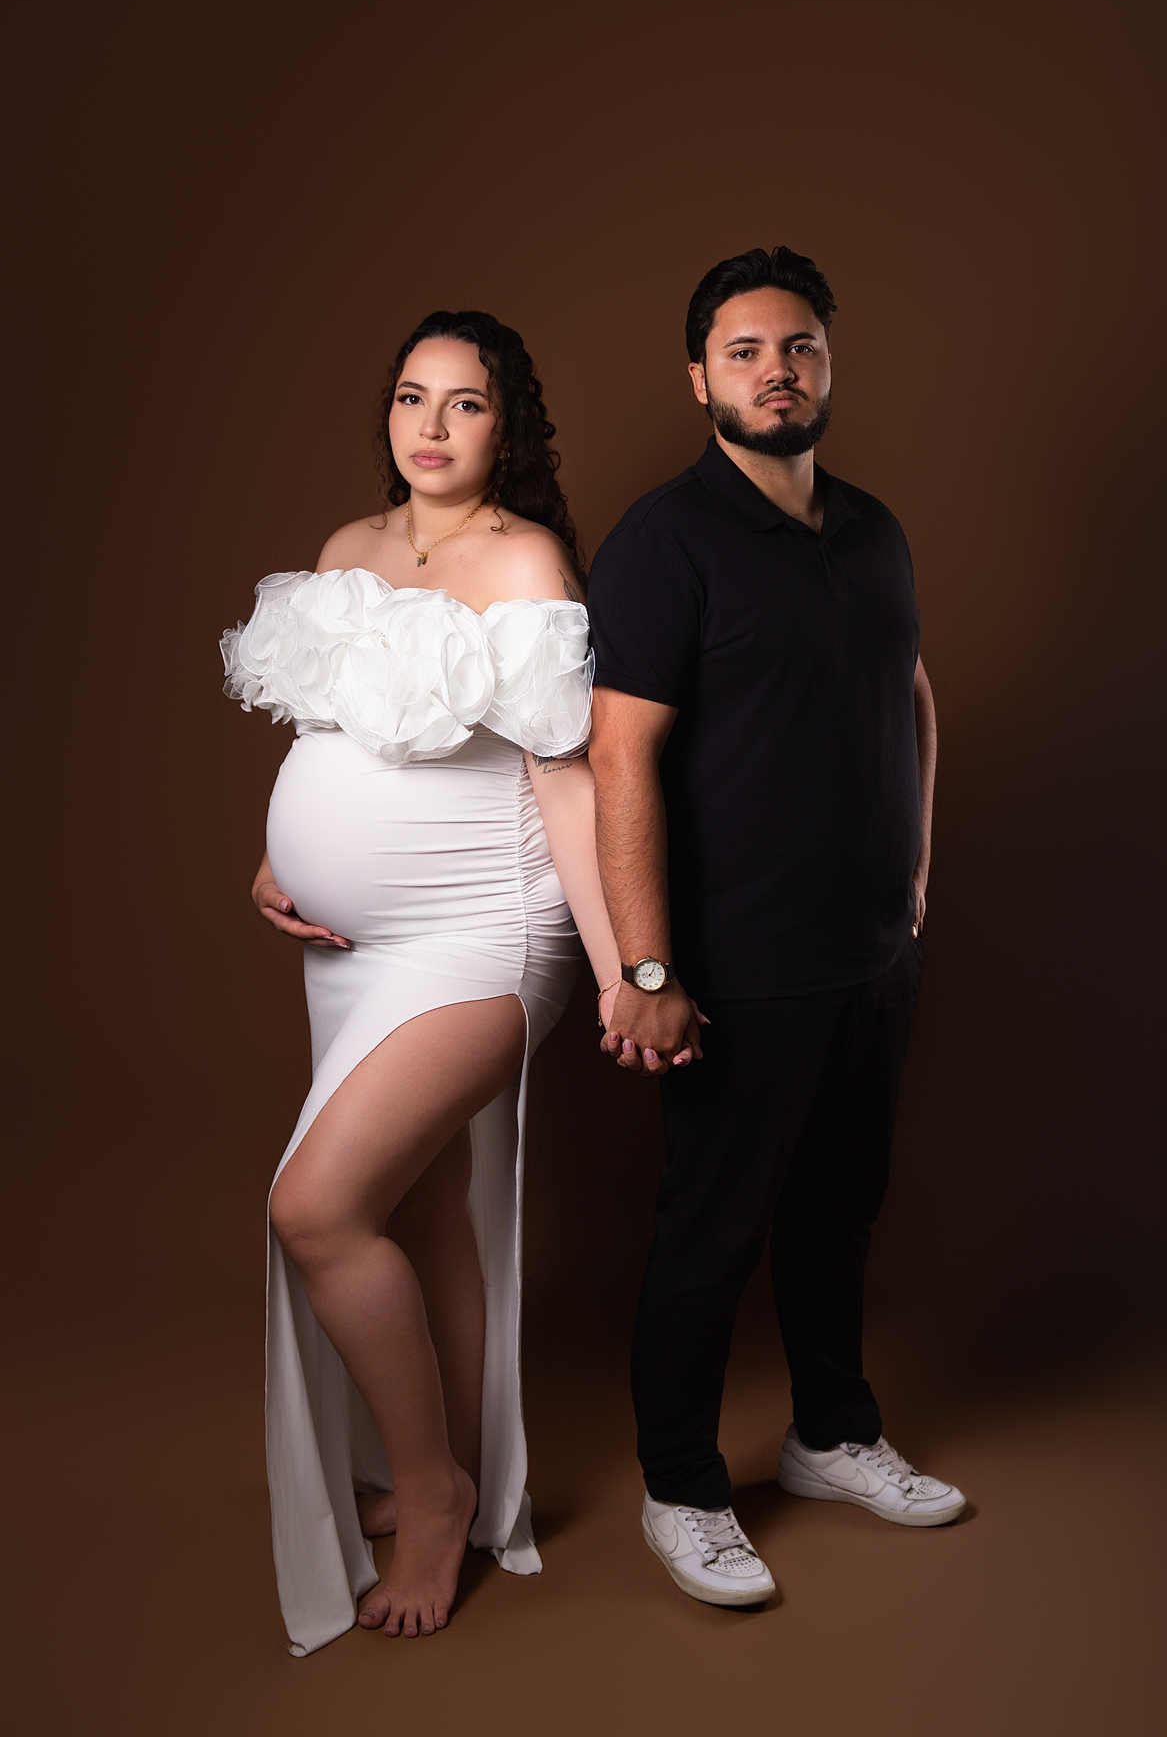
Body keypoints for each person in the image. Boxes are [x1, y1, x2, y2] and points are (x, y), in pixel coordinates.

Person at [220, 312, 636, 1655]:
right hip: (351, 949)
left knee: (317, 1209)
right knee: (429, 1212)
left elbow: (563, 778)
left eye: (466, 403)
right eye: (413, 397)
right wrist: (281, 856)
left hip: (479, 931)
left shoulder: (523, 558)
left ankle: (440, 1494)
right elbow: (327, 731)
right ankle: (434, 1463)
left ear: (507, 427)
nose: (433, 427)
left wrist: (625, 970)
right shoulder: (348, 548)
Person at [586, 246, 965, 1609]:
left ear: (828, 365)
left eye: (798, 346)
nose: (775, 371)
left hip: (871, 954)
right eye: (743, 351)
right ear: (699, 379)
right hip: (737, 962)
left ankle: (831, 1436)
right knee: (713, 1230)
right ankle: (683, 1489)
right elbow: (619, 757)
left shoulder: (874, 529)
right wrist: (647, 965)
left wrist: (915, 866)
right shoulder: (662, 541)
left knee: (839, 1211)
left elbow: (910, 693)